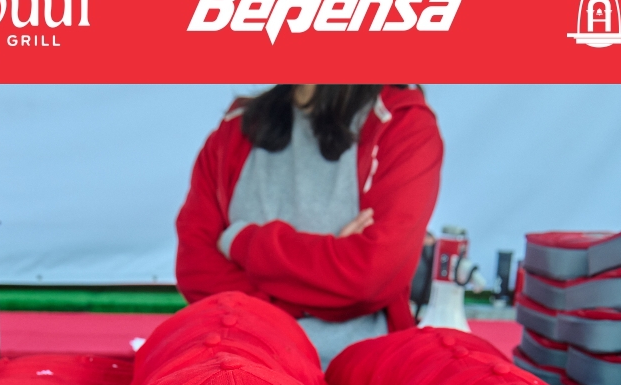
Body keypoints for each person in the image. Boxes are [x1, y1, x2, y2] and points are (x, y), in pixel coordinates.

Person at [175, 84, 443, 366]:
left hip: (356, 365)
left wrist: (242, 241)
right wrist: (323, 284)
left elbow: (370, 274)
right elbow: (194, 268)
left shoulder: (402, 123)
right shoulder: (237, 127)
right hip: (241, 356)